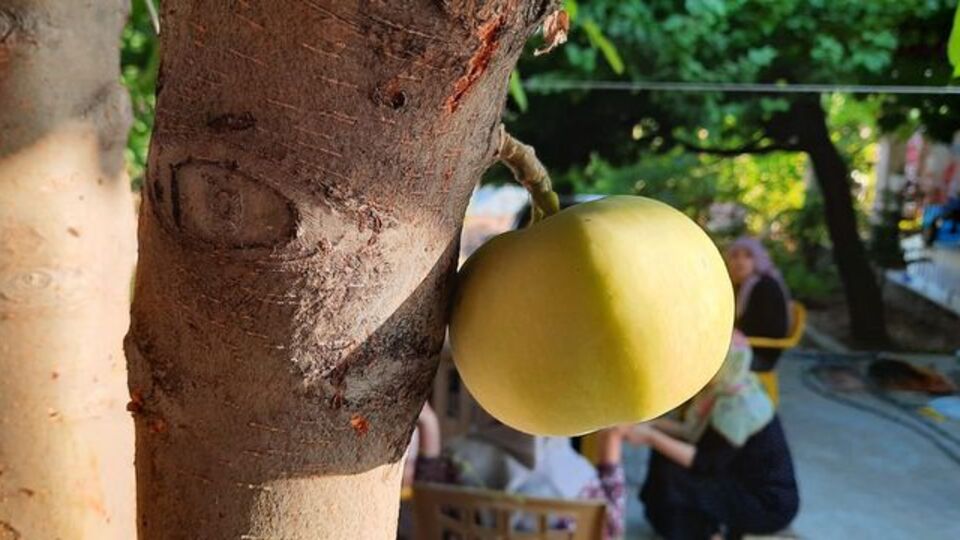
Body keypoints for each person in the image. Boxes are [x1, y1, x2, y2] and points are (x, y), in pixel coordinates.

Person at [635, 333, 799, 539]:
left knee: (675, 477)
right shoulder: (726, 386)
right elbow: (691, 432)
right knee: (666, 454)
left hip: (765, 504)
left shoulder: (739, 405)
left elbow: (704, 461)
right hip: (734, 473)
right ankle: (667, 525)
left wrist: (650, 436)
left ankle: (705, 533)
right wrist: (651, 425)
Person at [411, 401, 631, 539]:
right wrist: (613, 439)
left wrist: (429, 422)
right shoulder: (583, 484)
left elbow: (426, 498)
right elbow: (610, 529)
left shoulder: (457, 462)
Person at [725, 236, 791, 373]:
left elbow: (768, 329)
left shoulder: (765, 286)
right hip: (745, 347)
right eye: (735, 256)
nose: (740, 261)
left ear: (757, 260)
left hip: (760, 354)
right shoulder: (742, 286)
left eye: (748, 256)